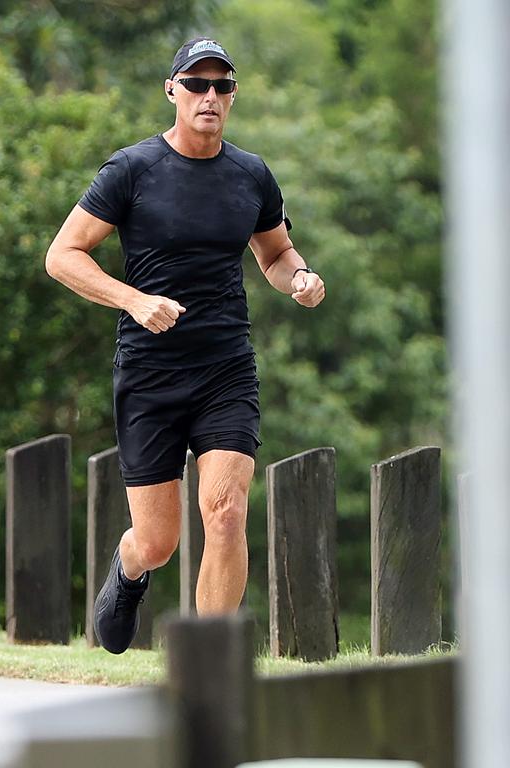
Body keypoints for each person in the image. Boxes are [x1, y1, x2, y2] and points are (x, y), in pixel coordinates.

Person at [45, 37, 325, 654]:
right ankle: (130, 567)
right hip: (150, 374)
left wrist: (299, 279)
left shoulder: (251, 175)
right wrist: (134, 300)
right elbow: (62, 256)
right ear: (172, 90)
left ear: (231, 99)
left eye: (221, 87)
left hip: (225, 368)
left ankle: (208, 667)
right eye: (196, 84)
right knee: (159, 540)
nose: (209, 96)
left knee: (225, 514)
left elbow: (275, 254)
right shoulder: (132, 170)